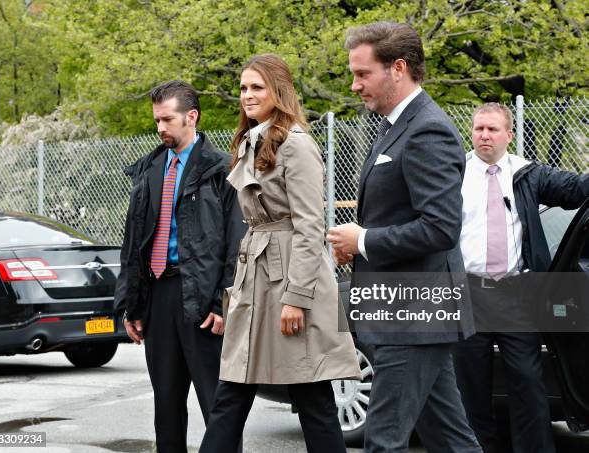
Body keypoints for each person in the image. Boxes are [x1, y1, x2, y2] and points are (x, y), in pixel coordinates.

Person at [326, 21, 482, 452]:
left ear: (398, 68)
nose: (355, 85)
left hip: (414, 315)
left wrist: (363, 241)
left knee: (384, 441)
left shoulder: (428, 130)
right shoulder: (393, 126)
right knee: (451, 440)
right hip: (403, 312)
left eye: (362, 73)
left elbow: (440, 228)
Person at [198, 54, 361, 453]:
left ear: (279, 91)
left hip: (290, 280)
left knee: (312, 397)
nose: (247, 95)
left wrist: (297, 298)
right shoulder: (251, 142)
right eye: (243, 88)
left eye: (257, 87)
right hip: (255, 276)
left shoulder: (296, 145)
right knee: (231, 393)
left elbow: (309, 226)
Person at [114, 80, 245, 453]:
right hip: (158, 297)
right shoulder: (149, 170)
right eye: (156, 121)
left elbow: (237, 243)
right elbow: (133, 243)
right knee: (166, 408)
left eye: (167, 119)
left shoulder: (222, 170)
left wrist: (223, 303)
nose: (160, 128)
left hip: (203, 302)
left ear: (192, 116)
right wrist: (131, 305)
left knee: (217, 407)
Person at [455, 102, 589, 453]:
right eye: (479, 128)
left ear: (508, 135)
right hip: (468, 293)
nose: (484, 135)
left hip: (516, 295)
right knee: (470, 387)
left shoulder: (526, 174)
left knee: (529, 385)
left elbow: (575, 190)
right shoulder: (454, 173)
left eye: (493, 129)